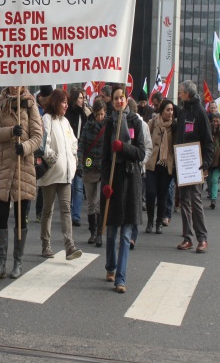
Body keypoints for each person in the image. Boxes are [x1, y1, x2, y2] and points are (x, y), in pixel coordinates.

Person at [0, 86, 43, 279]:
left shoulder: (30, 104)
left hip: (23, 167)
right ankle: (0, 263)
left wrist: (26, 147)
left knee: (20, 217)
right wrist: (11, 131)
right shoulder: (1, 102)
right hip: (4, 166)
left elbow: (38, 135)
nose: (14, 86)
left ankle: (17, 262)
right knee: (1, 215)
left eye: (17, 83)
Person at [100, 86, 146, 293]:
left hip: (131, 181)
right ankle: (110, 266)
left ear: (127, 100)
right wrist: (105, 184)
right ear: (112, 102)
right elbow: (104, 158)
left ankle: (121, 278)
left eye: (122, 98)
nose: (119, 101)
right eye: (116, 98)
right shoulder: (109, 123)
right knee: (111, 232)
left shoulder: (136, 121)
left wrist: (124, 147)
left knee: (126, 234)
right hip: (114, 180)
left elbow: (141, 153)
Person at [37, 88, 83, 261]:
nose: (66, 106)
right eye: (63, 102)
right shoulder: (47, 119)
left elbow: (74, 143)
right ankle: (45, 244)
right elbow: (43, 144)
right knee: (48, 210)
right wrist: (54, 159)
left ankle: (69, 246)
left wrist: (73, 159)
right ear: (55, 103)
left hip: (66, 175)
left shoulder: (65, 122)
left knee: (66, 209)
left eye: (67, 102)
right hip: (50, 174)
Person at [175, 80, 213, 253]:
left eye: (181, 92)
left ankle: (202, 238)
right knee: (184, 200)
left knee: (195, 200)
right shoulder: (183, 111)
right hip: (183, 162)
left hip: (195, 163)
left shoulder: (200, 112)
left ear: (187, 94)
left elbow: (208, 141)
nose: (179, 94)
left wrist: (205, 162)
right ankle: (187, 238)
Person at [77, 99, 107, 246]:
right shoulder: (87, 127)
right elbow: (81, 145)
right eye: (98, 114)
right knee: (90, 202)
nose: (100, 117)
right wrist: (80, 163)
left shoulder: (108, 126)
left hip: (103, 167)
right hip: (89, 166)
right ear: (94, 113)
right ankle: (92, 232)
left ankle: (100, 233)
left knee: (99, 203)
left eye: (102, 114)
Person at [145, 98, 176, 234]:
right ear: (162, 111)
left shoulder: (174, 126)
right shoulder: (152, 123)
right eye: (168, 110)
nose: (170, 112)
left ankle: (159, 223)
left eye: (172, 110)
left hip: (166, 165)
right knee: (150, 193)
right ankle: (150, 221)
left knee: (163, 195)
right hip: (152, 164)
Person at [127, 97, 153, 248]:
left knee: (135, 202)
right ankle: (126, 233)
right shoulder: (121, 123)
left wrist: (141, 161)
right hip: (124, 168)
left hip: (137, 168)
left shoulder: (142, 125)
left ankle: (132, 235)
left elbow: (148, 148)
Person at [66, 87, 87, 227]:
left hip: (80, 151)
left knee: (78, 185)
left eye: (83, 98)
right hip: (68, 150)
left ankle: (76, 215)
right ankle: (67, 212)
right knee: (69, 184)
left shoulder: (84, 115)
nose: (82, 100)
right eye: (80, 98)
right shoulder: (67, 115)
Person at [33, 85, 53, 222]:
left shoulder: (52, 111)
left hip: (47, 151)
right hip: (35, 149)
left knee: (44, 183)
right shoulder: (34, 108)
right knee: (34, 182)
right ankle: (31, 212)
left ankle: (41, 212)